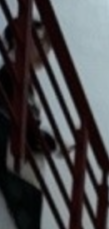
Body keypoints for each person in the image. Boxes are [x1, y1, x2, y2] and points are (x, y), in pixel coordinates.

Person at [0, 17, 57, 160]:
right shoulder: (8, 76)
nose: (44, 51)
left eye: (46, 46)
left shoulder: (26, 83)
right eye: (40, 42)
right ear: (18, 41)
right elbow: (11, 123)